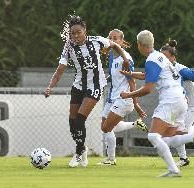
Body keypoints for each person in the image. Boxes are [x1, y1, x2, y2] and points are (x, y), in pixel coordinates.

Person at [44, 15, 130, 168]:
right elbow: (60, 70)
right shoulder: (69, 46)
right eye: (73, 33)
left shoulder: (96, 40)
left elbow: (115, 46)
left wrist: (125, 59)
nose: (76, 35)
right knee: (72, 122)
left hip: (95, 85)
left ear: (85, 31)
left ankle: (78, 153)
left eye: (78, 32)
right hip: (78, 85)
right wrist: (50, 86)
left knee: (79, 120)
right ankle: (83, 148)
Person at [120, 30, 189, 177]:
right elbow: (148, 76)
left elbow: (147, 89)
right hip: (180, 98)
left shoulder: (152, 59)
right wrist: (131, 74)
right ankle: (175, 167)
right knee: (165, 139)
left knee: (153, 136)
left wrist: (128, 94)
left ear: (139, 45)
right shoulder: (159, 56)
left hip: (170, 99)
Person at [99, 29, 148, 165]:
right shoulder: (111, 56)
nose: (113, 41)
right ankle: (134, 124)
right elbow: (115, 77)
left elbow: (132, 81)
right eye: (111, 38)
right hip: (112, 97)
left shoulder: (125, 59)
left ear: (121, 41)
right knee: (106, 126)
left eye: (116, 38)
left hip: (124, 98)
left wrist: (136, 103)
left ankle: (111, 159)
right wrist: (103, 82)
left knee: (107, 128)